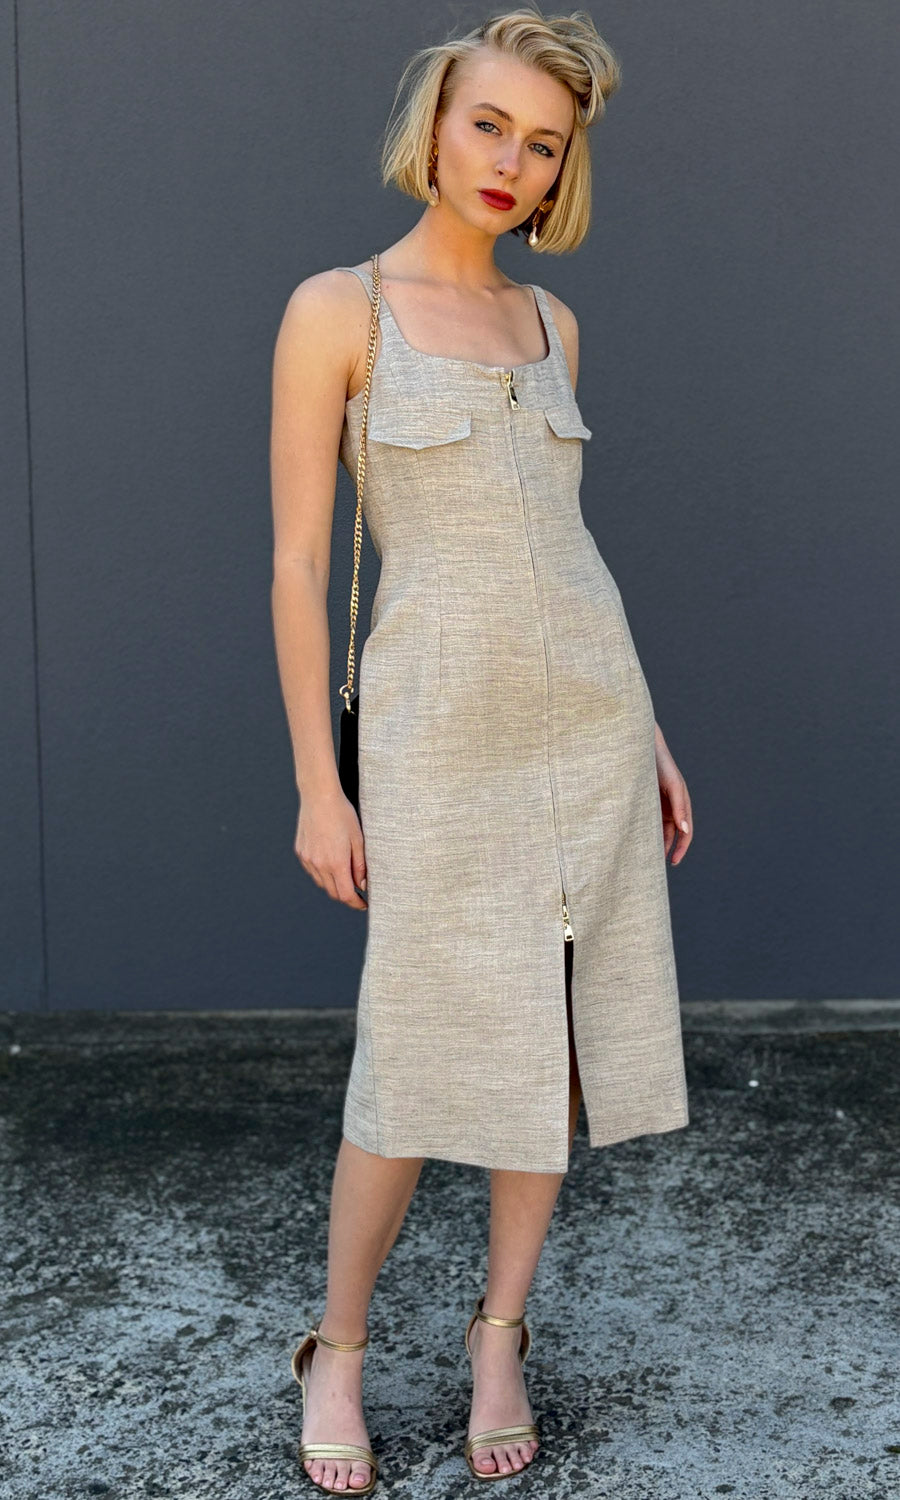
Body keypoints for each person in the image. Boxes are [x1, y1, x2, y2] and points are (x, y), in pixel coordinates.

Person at [269, 7, 694, 1492]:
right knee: (408, 1057)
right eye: (490, 124)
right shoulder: (339, 310)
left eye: (545, 144)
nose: (512, 161)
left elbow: (565, 552)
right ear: (437, 125)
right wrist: (319, 784)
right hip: (437, 736)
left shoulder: (551, 326)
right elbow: (297, 564)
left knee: (556, 1049)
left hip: (591, 723)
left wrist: (651, 730)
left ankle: (499, 1333)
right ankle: (338, 1345)